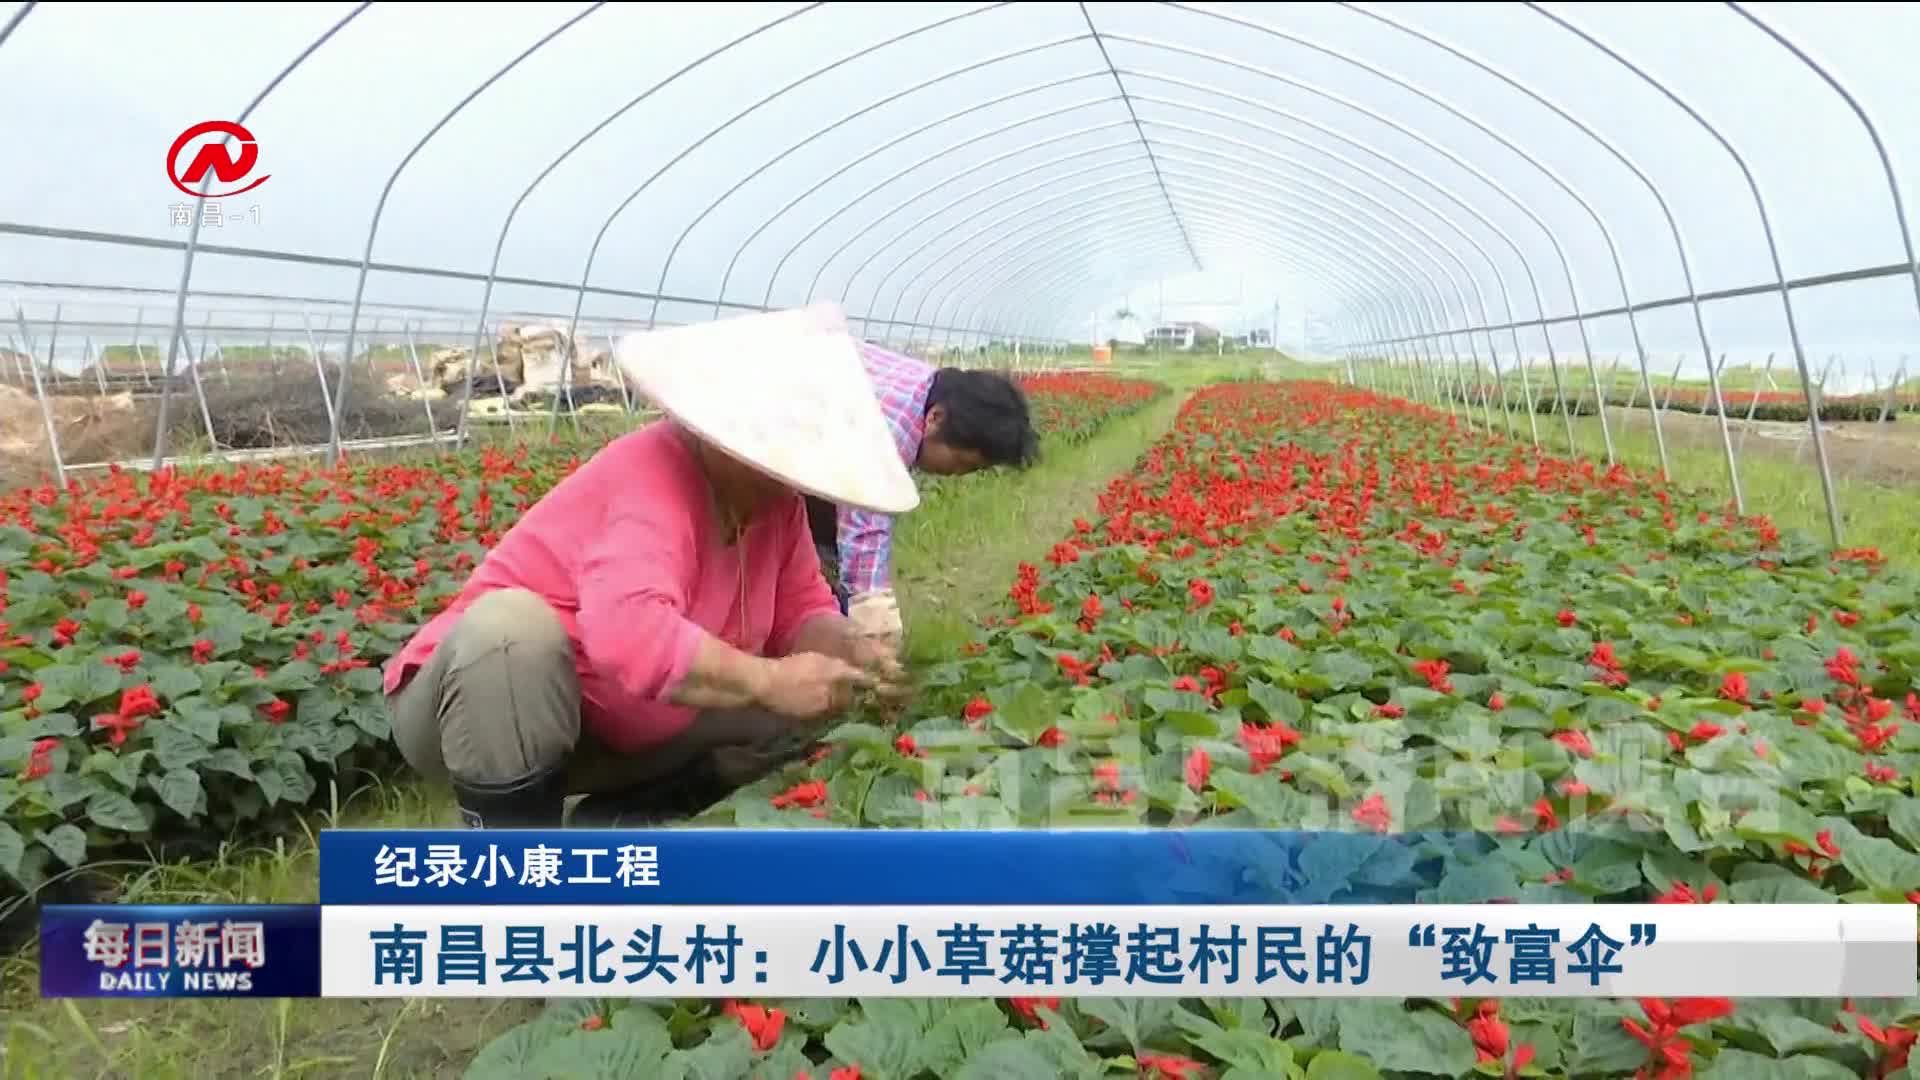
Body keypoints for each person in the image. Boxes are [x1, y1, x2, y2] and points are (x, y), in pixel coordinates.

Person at [381, 305, 919, 828]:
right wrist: (768, 679)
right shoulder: (653, 476)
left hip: (621, 720)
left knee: (810, 707)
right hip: (482, 702)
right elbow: (630, 634)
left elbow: (800, 610)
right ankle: (513, 856)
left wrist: (849, 648)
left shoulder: (775, 502)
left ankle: (622, 820)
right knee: (510, 630)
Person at [807, 343, 1039, 648]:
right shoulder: (888, 432)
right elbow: (866, 531)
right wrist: (876, 627)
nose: (957, 474)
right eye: (961, 463)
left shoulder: (924, 386)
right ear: (936, 418)